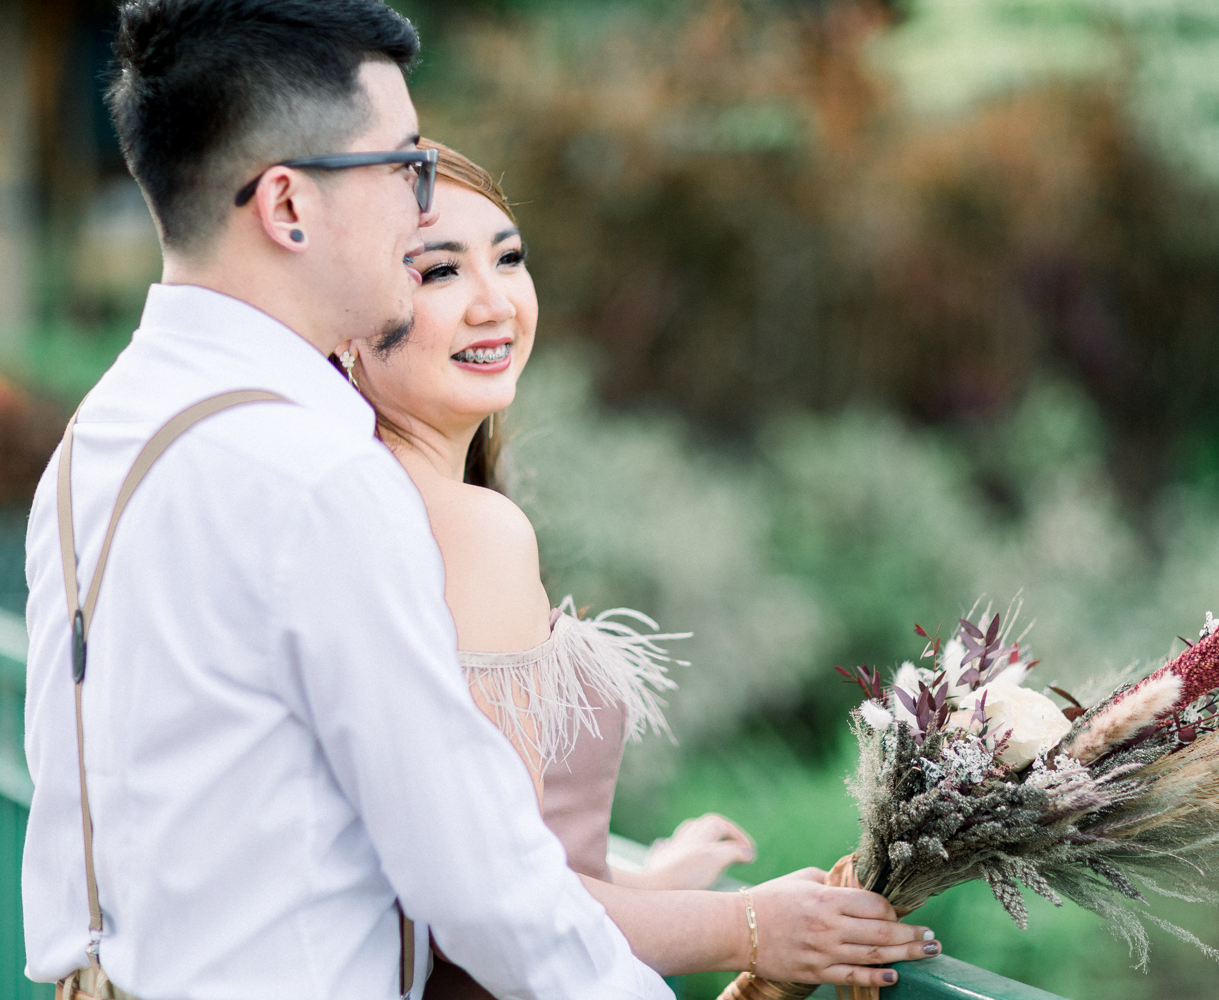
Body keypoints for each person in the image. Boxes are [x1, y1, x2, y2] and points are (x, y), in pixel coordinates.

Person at [21, 2, 930, 997]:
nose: (419, 201)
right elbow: (482, 886)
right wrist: (743, 930)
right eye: (402, 167)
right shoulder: (315, 476)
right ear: (287, 206)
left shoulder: (100, 438)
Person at [336, 140, 944, 996]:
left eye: (507, 258)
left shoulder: (363, 506)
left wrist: (645, 883)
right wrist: (753, 927)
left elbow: (437, 833)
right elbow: (495, 905)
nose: (494, 303)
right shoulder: (469, 532)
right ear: (344, 320)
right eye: (439, 272)